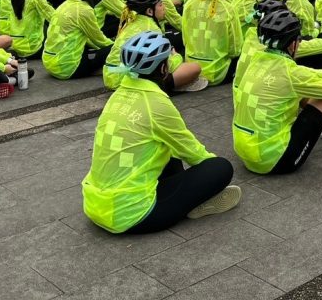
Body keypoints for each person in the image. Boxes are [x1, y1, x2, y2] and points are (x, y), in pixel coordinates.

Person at [82, 31, 241, 234]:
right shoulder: (155, 102)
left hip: (95, 205)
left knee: (165, 146)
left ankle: (183, 196)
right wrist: (209, 177)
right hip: (130, 216)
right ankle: (192, 203)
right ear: (164, 68)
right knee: (221, 167)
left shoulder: (117, 95)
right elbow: (192, 152)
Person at [232, 9, 322, 175]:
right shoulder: (289, 73)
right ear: (293, 44)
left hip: (245, 153)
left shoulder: (256, 60)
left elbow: (300, 76)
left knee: (306, 88)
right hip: (274, 160)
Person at [43, 0, 115, 79]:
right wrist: (119, 47)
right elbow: (99, 40)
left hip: (49, 63)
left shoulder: (67, 3)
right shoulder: (84, 10)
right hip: (67, 69)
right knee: (113, 47)